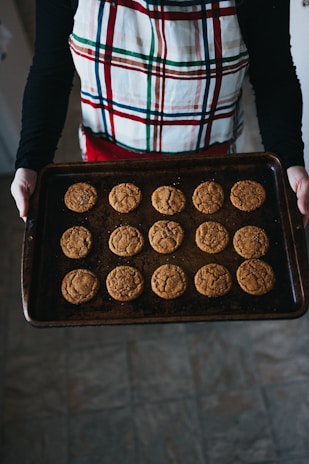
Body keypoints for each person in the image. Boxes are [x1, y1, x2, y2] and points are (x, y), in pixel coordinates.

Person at [10, 0, 309, 226]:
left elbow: (274, 76)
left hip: (213, 164)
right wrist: (32, 161)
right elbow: (51, 72)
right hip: (107, 162)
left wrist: (289, 159)